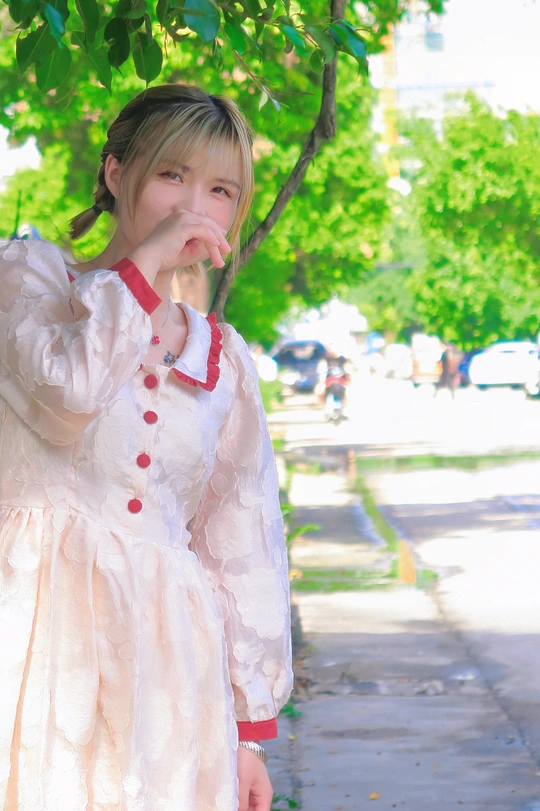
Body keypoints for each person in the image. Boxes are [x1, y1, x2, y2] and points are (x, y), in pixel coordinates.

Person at [0, 84, 293, 811]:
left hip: (165, 668)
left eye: (221, 190)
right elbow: (68, 395)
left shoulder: (221, 358)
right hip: (29, 638)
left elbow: (243, 544)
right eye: (172, 175)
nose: (194, 206)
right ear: (115, 172)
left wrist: (249, 735)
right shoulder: (29, 281)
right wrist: (145, 262)